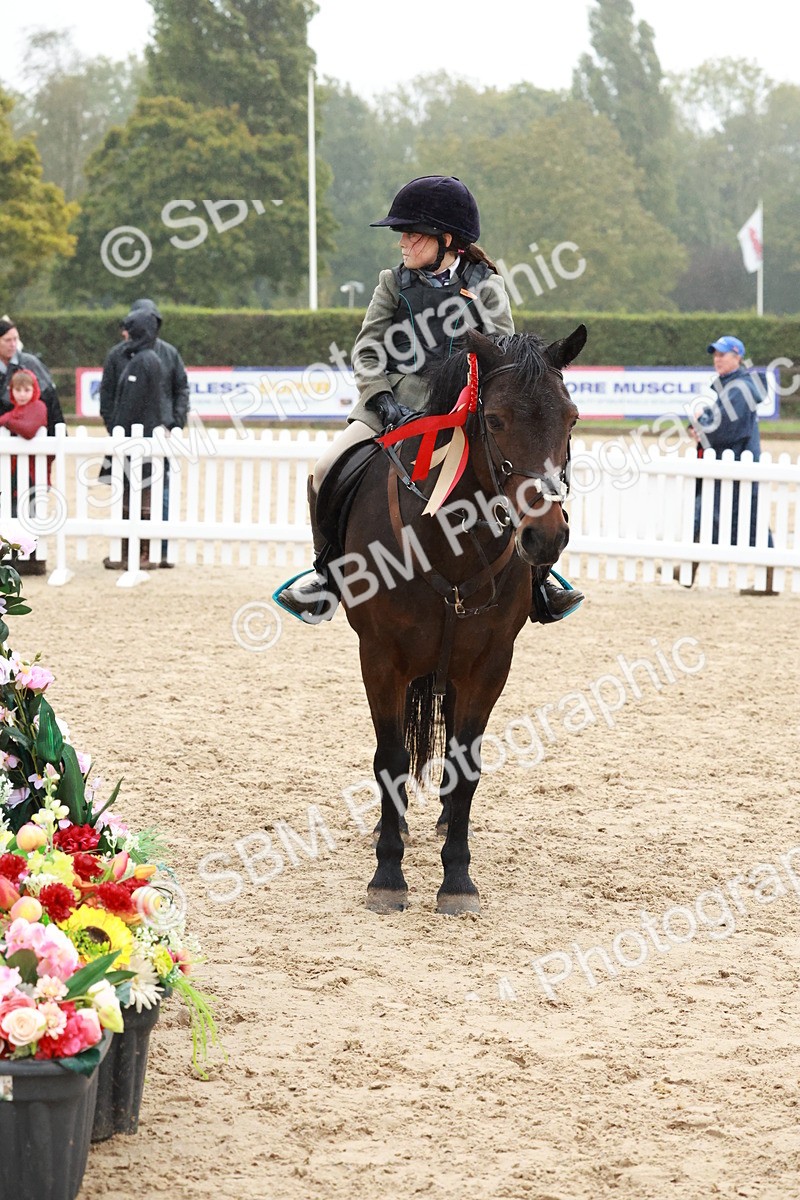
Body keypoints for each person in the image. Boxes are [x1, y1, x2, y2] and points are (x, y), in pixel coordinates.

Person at [277, 175, 584, 624]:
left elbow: (501, 355)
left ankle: (540, 580)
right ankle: (327, 578)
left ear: (445, 240)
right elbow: (366, 349)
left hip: (464, 408)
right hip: (394, 402)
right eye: (402, 234)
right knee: (325, 469)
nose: (402, 243)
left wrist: (476, 403)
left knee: (525, 471)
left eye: (411, 234)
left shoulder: (486, 286)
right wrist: (378, 396)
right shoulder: (392, 283)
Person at [99, 298, 189, 568]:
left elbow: (181, 388)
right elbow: (108, 394)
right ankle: (130, 551)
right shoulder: (117, 355)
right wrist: (114, 427)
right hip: (126, 434)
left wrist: (174, 423)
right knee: (126, 491)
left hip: (160, 434)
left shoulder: (168, 353)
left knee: (160, 492)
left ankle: (157, 550)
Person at [684, 334, 775, 593]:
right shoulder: (733, 387)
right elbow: (719, 420)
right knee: (707, 514)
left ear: (738, 358)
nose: (717, 359)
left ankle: (767, 579)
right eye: (715, 354)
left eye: (722, 354)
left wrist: (701, 425)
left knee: (747, 520)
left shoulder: (740, 389)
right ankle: (687, 568)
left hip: (736, 463)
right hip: (729, 462)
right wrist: (699, 424)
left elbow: (725, 428)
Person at [0, 369, 50, 575]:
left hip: (30, 474)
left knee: (28, 513)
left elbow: (29, 430)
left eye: (27, 389)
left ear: (34, 390)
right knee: (12, 513)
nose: (22, 394)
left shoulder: (37, 407)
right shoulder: (15, 411)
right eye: (18, 390)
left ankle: (34, 559)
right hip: (13, 474)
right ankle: (14, 557)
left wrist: (6, 422)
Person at [0, 320, 65, 436]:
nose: (13, 344)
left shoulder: (31, 364)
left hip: (38, 437)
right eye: (7, 340)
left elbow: (51, 401)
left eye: (15, 339)